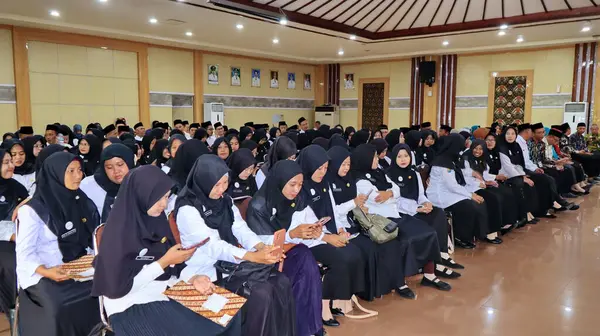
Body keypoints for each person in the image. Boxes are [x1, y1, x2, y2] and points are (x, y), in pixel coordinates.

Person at [92, 165, 240, 335]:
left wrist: (193, 277)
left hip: (164, 291)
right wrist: (164, 262)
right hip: (129, 305)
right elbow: (117, 289)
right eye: (159, 198)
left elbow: (173, 265)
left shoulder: (155, 219)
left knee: (229, 311)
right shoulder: (117, 233)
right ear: (142, 195)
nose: (164, 204)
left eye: (167, 197)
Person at [174, 155, 295, 335]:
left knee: (281, 281)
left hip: (230, 265)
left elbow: (240, 228)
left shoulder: (225, 200)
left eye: (225, 183)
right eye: (217, 185)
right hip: (204, 272)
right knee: (262, 293)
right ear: (203, 181)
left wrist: (261, 247)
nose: (222, 189)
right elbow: (213, 246)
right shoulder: (187, 209)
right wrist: (251, 256)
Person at [16, 152, 101, 336]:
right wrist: (47, 271)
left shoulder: (80, 200)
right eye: (71, 171)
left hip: (74, 266)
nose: (78, 176)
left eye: (79, 170)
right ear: (55, 174)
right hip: (41, 271)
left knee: (105, 288)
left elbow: (91, 237)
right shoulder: (32, 210)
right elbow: (24, 255)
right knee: (59, 305)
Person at [351, 144, 451, 292]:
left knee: (429, 232)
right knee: (406, 240)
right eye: (373, 157)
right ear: (365, 159)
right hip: (381, 219)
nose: (377, 159)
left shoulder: (379, 172)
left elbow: (397, 189)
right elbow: (378, 198)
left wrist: (389, 193)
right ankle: (400, 281)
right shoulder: (360, 180)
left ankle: (429, 274)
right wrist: (390, 194)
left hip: (396, 214)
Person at [245, 160, 324, 336]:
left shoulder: (296, 198)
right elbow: (260, 243)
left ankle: (305, 327)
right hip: (264, 259)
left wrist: (312, 230)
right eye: (292, 184)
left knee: (306, 261)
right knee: (303, 264)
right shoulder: (259, 205)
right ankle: (303, 328)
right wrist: (293, 235)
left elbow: (304, 224)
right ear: (280, 181)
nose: (296, 190)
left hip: (289, 250)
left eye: (300, 185)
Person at [296, 145, 365, 326]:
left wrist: (340, 229)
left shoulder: (324, 183)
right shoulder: (300, 188)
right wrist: (327, 238)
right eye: (319, 168)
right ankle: (323, 308)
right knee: (339, 258)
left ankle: (336, 299)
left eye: (326, 168)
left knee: (354, 252)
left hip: (327, 233)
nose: (322, 172)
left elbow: (333, 210)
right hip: (308, 240)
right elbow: (306, 223)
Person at [387, 144, 465, 272]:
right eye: (399, 157)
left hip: (417, 208)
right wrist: (417, 208)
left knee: (438, 213)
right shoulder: (389, 175)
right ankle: (432, 264)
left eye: (406, 156)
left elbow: (421, 195)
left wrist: (427, 203)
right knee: (427, 224)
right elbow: (395, 201)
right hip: (402, 212)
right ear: (394, 157)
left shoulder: (414, 173)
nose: (403, 159)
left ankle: (442, 254)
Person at [427, 134, 489, 249]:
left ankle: (476, 234)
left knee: (478, 202)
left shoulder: (451, 159)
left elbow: (458, 180)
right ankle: (460, 237)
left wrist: (471, 194)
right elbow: (452, 186)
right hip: (439, 196)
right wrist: (470, 195)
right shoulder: (443, 163)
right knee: (468, 205)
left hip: (449, 192)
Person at [0, 148, 29, 319]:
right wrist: (11, 235)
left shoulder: (17, 186)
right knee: (11, 263)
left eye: (11, 161)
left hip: (19, 236)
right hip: (5, 239)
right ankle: (13, 311)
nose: (11, 166)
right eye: (5, 163)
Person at [459, 140, 507, 242]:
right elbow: (464, 177)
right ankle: (489, 233)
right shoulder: (466, 160)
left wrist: (491, 180)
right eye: (475, 148)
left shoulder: (482, 160)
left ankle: (496, 229)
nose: (478, 151)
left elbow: (485, 174)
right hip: (471, 188)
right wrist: (479, 183)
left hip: (481, 186)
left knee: (498, 195)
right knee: (492, 199)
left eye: (481, 149)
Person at [80, 144, 134, 223]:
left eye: (120, 165)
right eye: (109, 167)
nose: (116, 171)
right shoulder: (88, 186)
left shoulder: (140, 184)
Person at [496, 126, 540, 225]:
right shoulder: (501, 147)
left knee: (530, 185)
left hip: (516, 174)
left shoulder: (516, 146)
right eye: (508, 134)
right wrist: (521, 177)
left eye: (513, 134)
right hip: (505, 175)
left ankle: (528, 212)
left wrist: (523, 176)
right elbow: (508, 167)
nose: (510, 136)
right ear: (504, 135)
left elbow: (519, 164)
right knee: (520, 185)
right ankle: (522, 215)